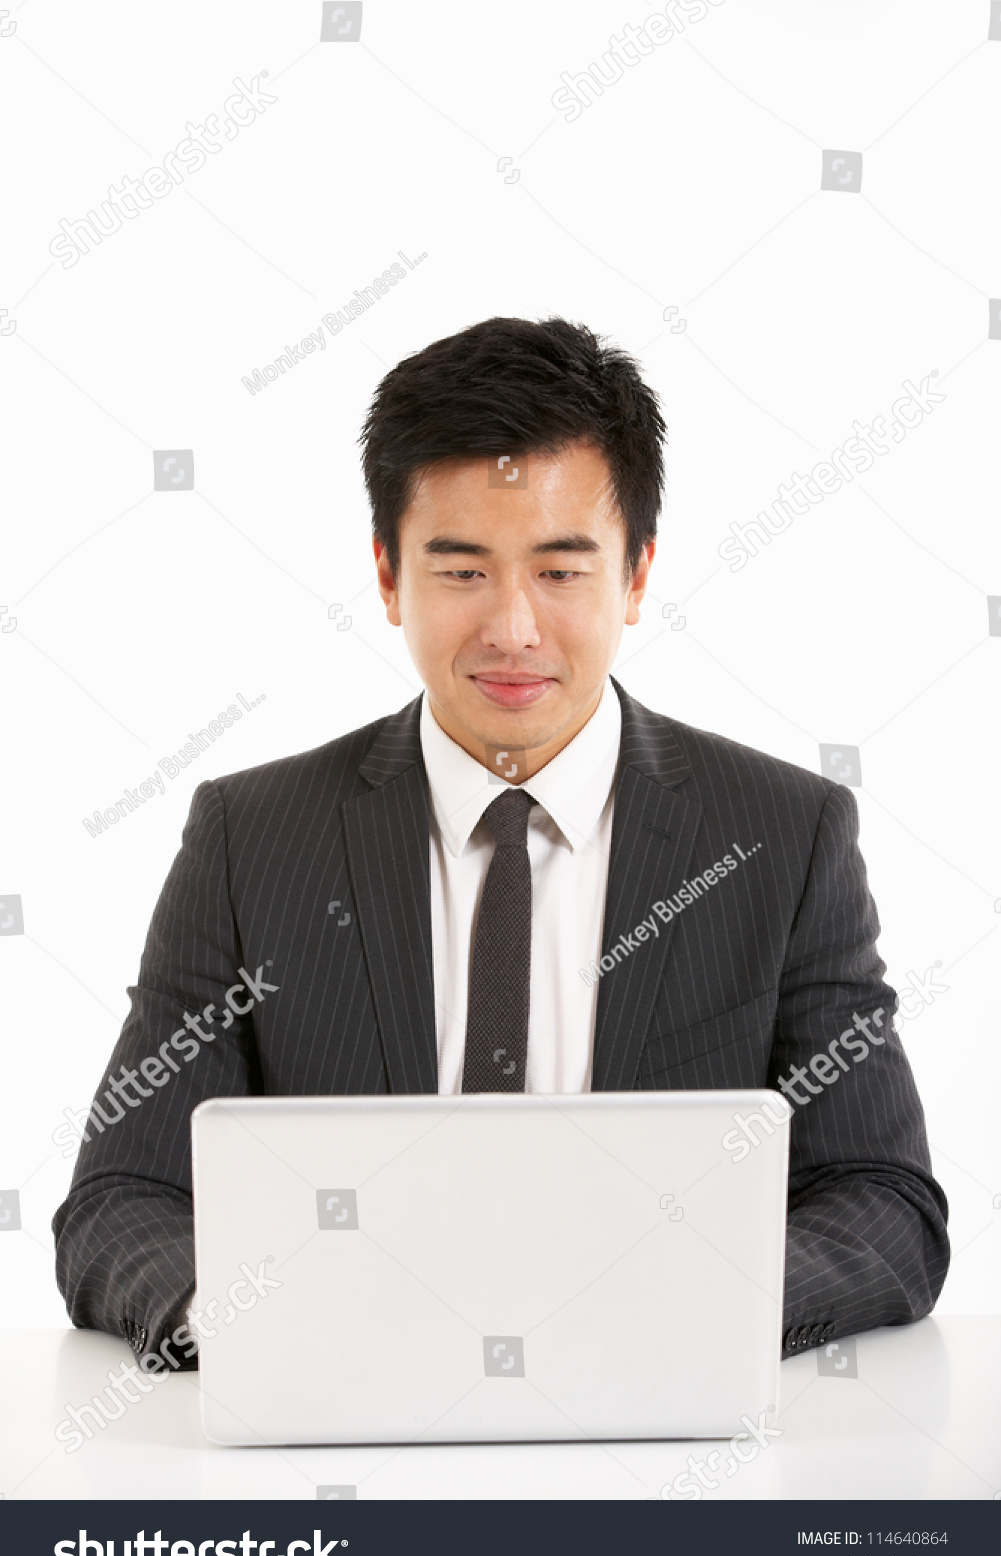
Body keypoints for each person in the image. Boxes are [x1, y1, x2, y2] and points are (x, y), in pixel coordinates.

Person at [53, 315, 949, 1376]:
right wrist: (255, 1327)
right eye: (462, 570)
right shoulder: (253, 837)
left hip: (660, 1423)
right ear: (388, 577)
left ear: (637, 574)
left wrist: (677, 1312)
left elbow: (884, 1204)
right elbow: (122, 1197)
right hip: (343, 1421)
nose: (514, 628)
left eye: (562, 571)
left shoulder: (780, 834)